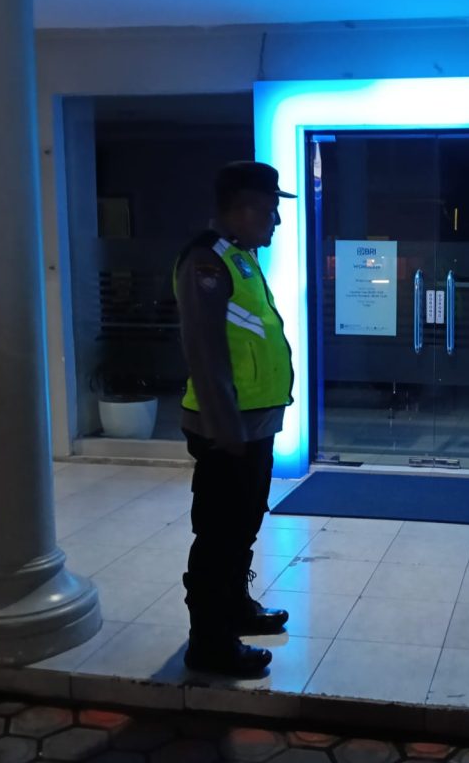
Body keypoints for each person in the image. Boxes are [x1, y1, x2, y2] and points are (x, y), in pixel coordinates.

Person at [175, 161, 296, 676]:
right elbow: (205, 353)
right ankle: (210, 643)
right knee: (219, 536)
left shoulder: (239, 256)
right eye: (270, 211)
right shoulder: (205, 261)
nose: (276, 221)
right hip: (227, 429)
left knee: (243, 525)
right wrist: (226, 430)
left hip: (252, 424)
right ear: (242, 208)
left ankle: (236, 609)